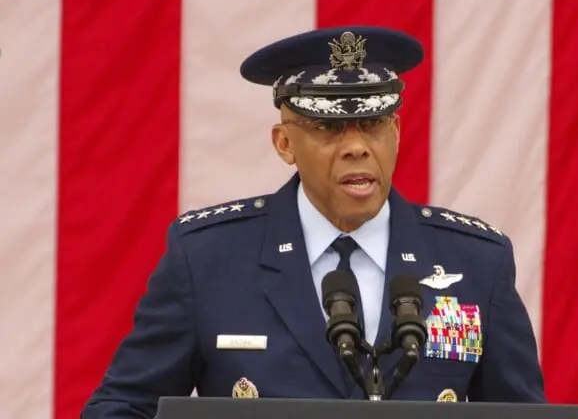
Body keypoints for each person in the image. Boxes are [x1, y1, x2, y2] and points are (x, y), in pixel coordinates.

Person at [81, 26, 545, 418]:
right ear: (285, 144)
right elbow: (122, 406)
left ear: (397, 133)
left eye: (374, 123)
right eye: (328, 128)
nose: (357, 146)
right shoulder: (207, 259)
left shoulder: (476, 263)